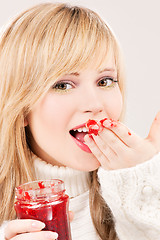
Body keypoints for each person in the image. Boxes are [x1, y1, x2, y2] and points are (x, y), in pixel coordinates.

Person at [0, 2, 160, 240]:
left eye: (105, 81)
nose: (95, 104)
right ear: (22, 108)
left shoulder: (149, 188)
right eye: (63, 85)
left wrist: (145, 189)